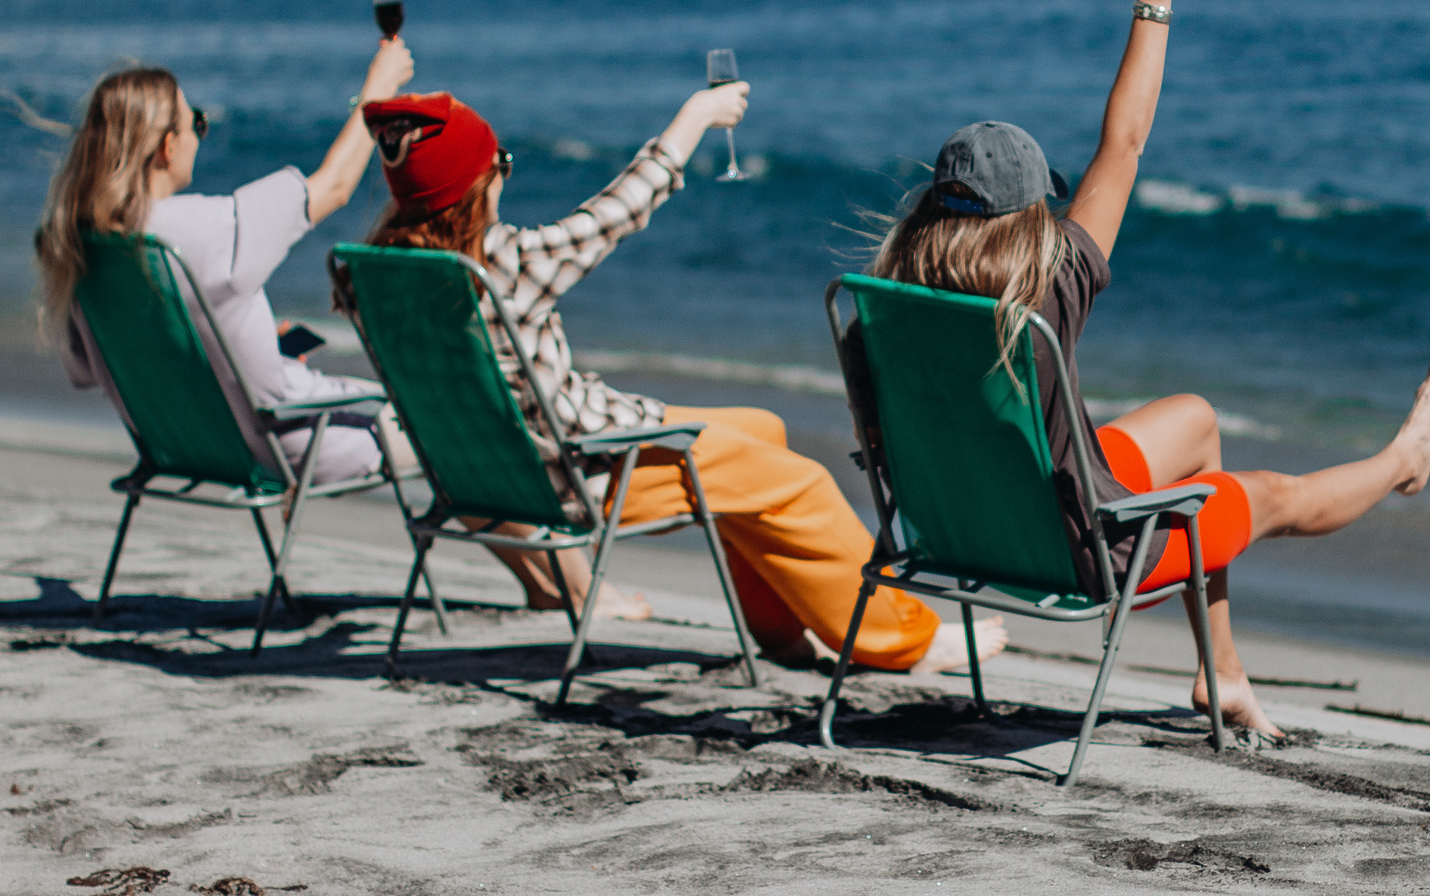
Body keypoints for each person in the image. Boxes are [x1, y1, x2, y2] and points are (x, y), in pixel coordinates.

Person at [869, 0, 1430, 735]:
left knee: (1196, 420)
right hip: (1077, 552)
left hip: (960, 529)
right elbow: (1128, 141)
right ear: (1027, 218)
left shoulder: (885, 303)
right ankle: (1403, 461)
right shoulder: (1045, 288)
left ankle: (1220, 671)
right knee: (1272, 496)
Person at [348, 83, 1002, 677]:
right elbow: (618, 211)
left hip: (497, 472)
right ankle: (902, 638)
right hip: (587, 472)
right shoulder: (502, 265)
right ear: (478, 182)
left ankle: (781, 631)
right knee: (798, 483)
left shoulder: (375, 274)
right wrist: (695, 116)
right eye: (501, 165)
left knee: (764, 429)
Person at [37, 41, 417, 486]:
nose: (200, 133)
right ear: (167, 147)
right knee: (448, 431)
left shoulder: (81, 247)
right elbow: (333, 187)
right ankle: (520, 555)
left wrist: (242, 347)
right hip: (294, 444)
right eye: (195, 122)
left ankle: (523, 557)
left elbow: (90, 370)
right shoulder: (208, 228)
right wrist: (381, 87)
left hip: (182, 447)